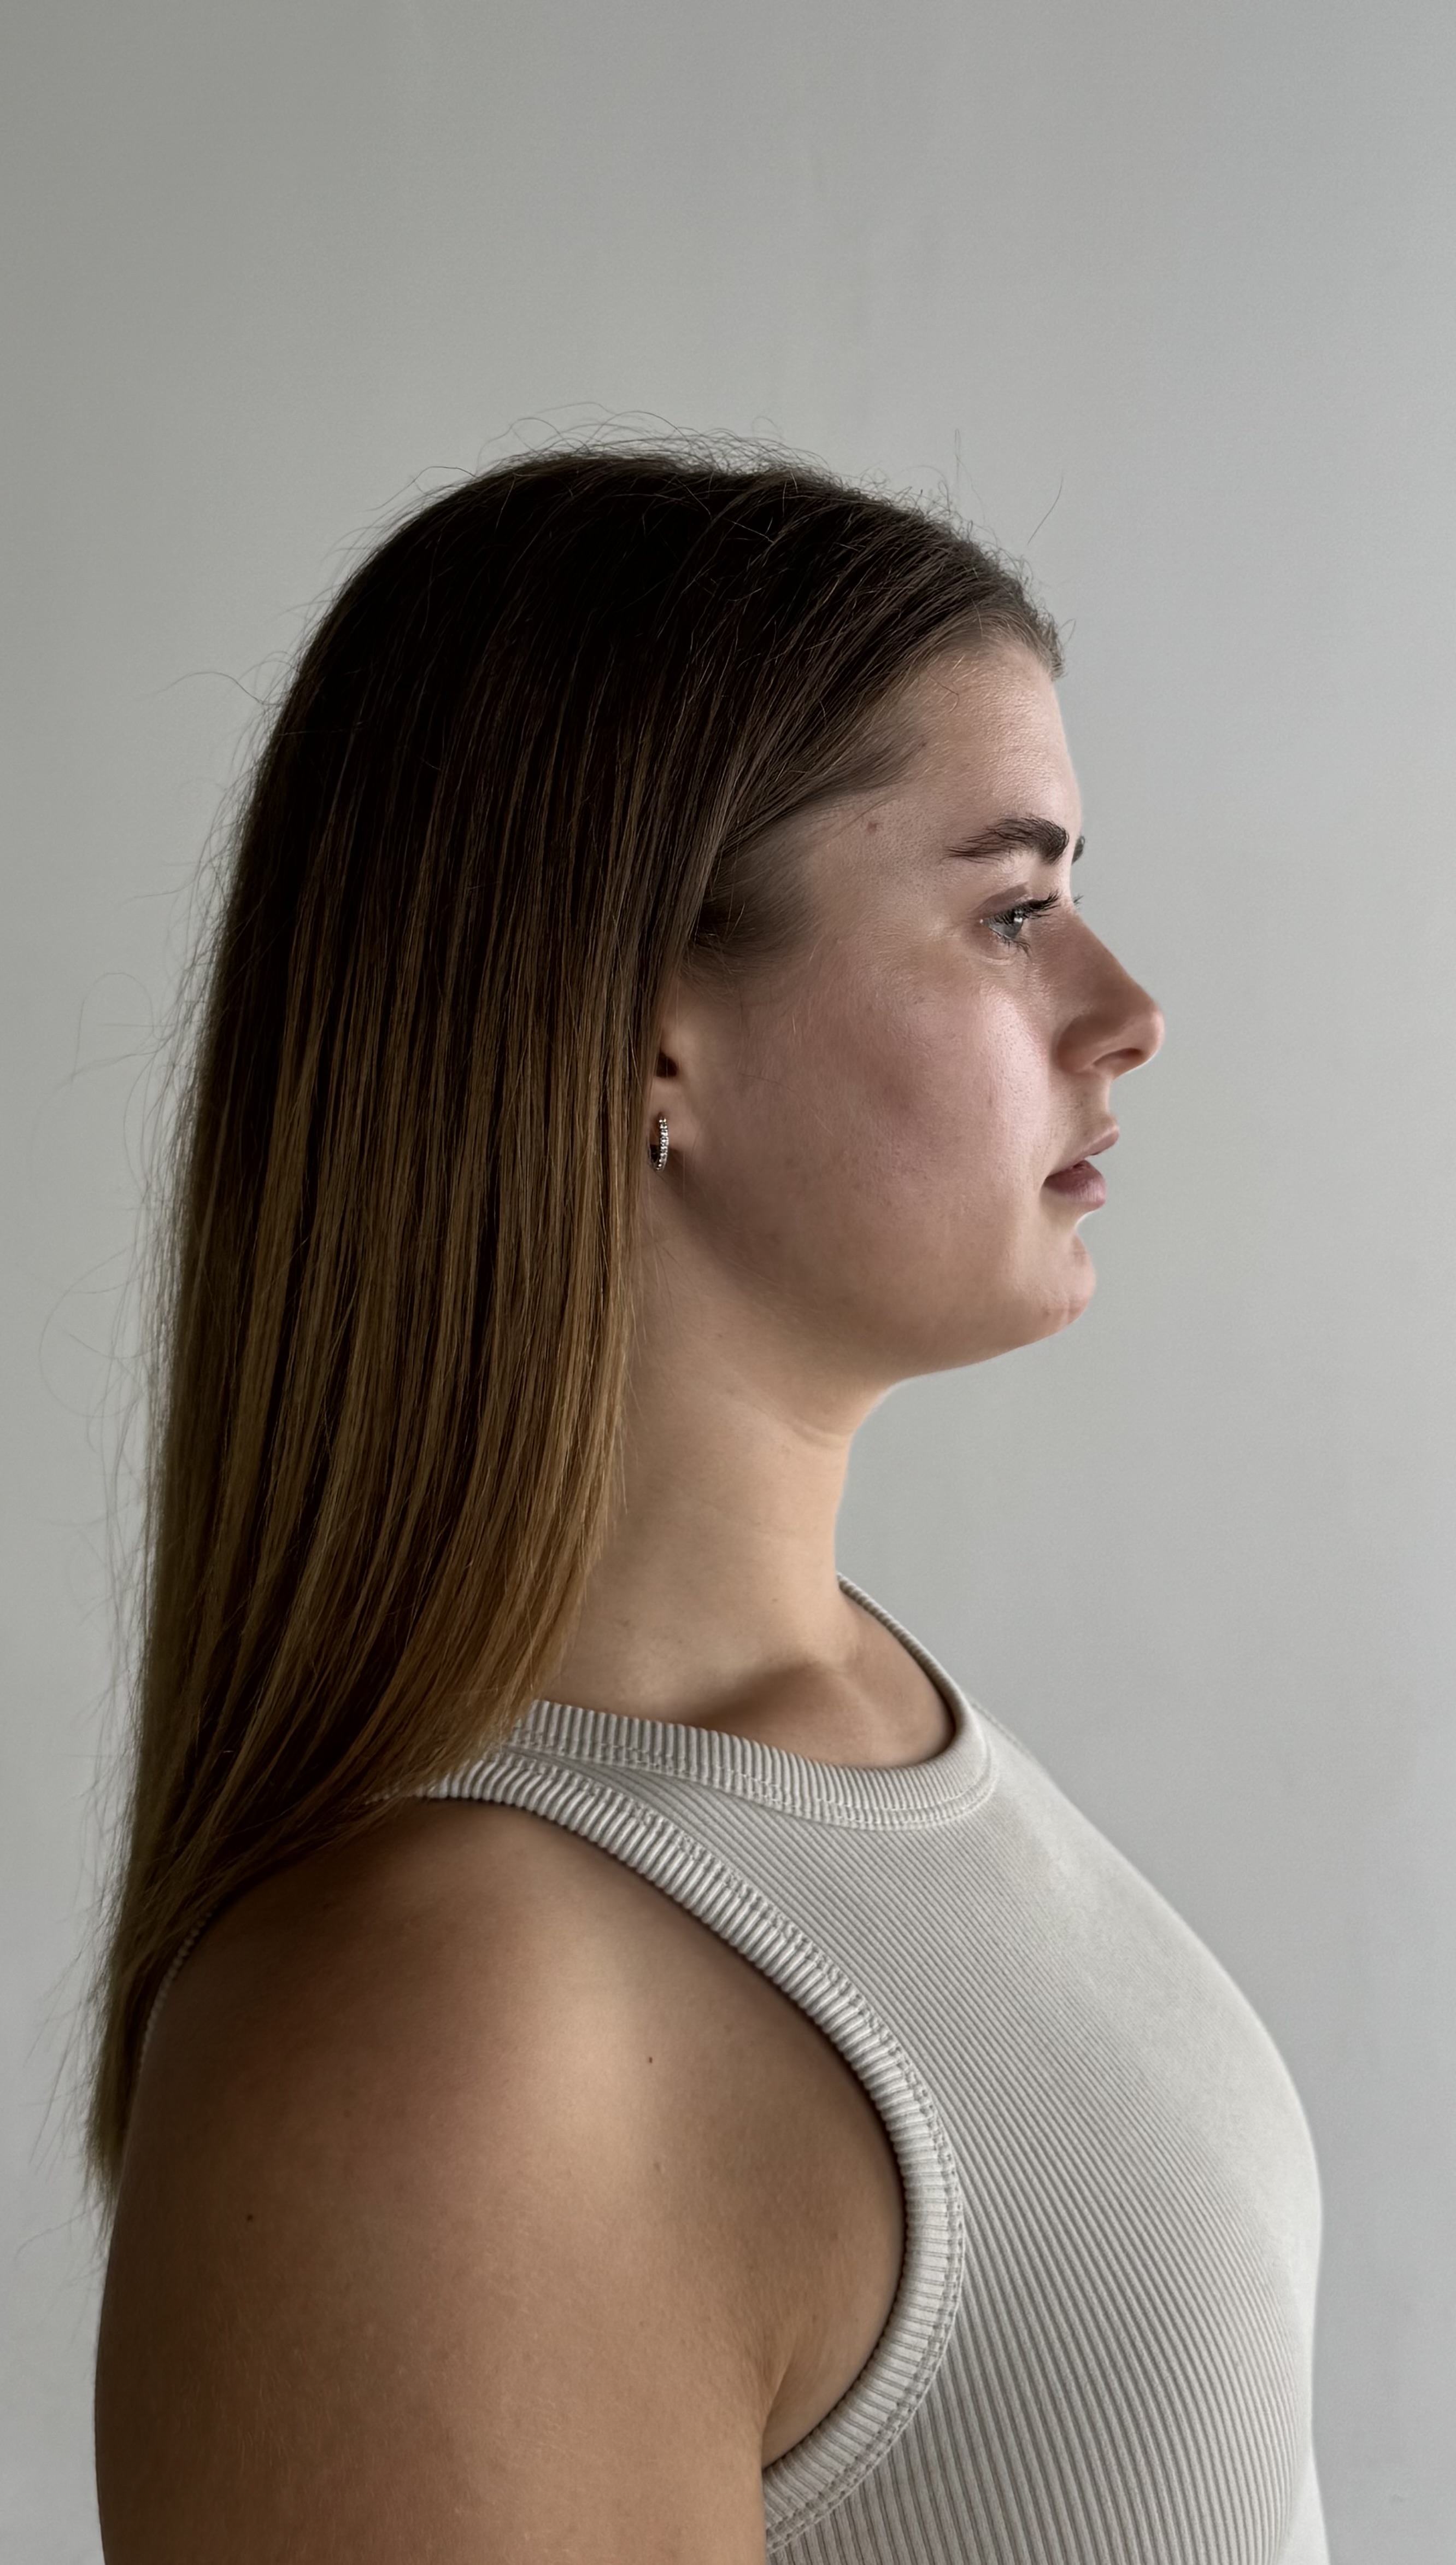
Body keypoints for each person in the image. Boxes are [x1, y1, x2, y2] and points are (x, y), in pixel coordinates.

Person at [90, 450, 1326, 2563]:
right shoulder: (454, 2045)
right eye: (1013, 910)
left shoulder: (865, 1740)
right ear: (650, 1033)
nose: (1126, 1012)